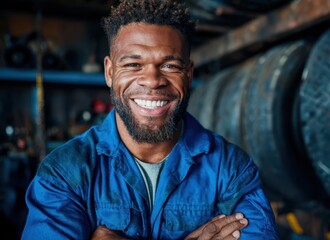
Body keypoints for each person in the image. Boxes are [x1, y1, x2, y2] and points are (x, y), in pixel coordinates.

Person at [21, 0, 279, 239]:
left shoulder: (231, 168)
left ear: (188, 74)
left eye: (170, 66)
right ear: (110, 72)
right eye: (133, 65)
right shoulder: (65, 172)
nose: (153, 80)